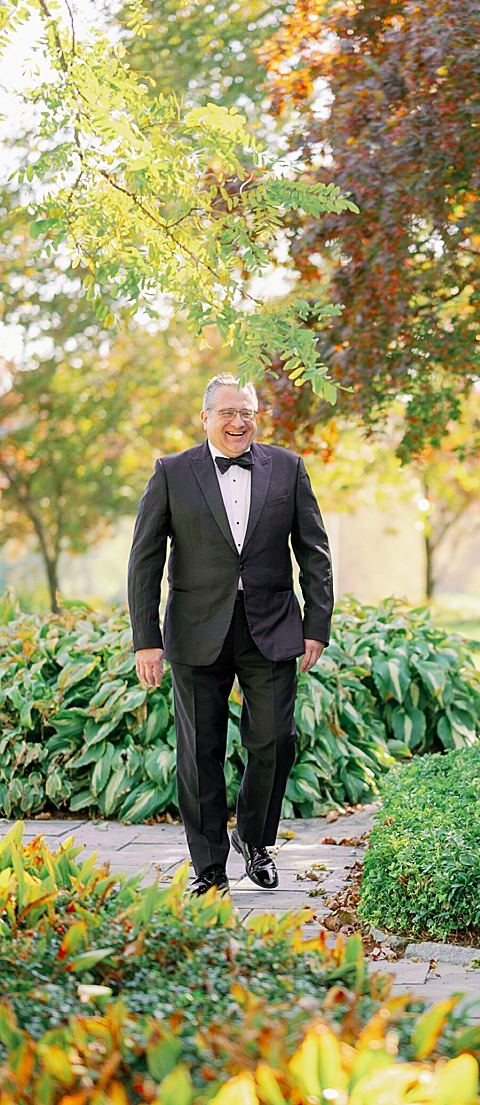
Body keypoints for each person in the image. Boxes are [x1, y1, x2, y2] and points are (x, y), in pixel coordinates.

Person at [127, 374, 334, 895]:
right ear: (205, 417)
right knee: (200, 752)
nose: (238, 422)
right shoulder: (172, 473)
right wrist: (145, 638)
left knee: (275, 741)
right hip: (197, 629)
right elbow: (144, 560)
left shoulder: (288, 468)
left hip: (272, 625)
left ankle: (255, 839)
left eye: (246, 412)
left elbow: (314, 551)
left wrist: (317, 626)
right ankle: (209, 868)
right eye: (226, 412)